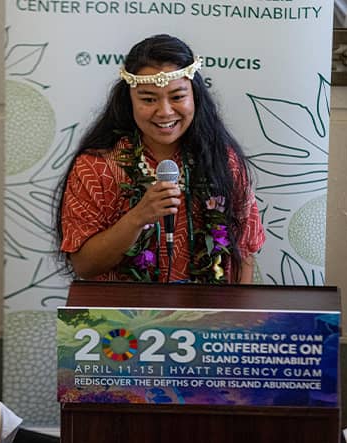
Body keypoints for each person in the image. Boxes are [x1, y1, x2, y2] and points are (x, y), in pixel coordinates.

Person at [55, 34, 265, 283]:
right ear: (129, 99)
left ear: (195, 96)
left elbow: (243, 254)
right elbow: (84, 266)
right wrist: (137, 217)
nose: (165, 112)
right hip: (127, 318)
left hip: (209, 316)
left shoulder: (224, 161)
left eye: (177, 97)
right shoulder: (96, 166)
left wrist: (235, 321)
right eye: (148, 99)